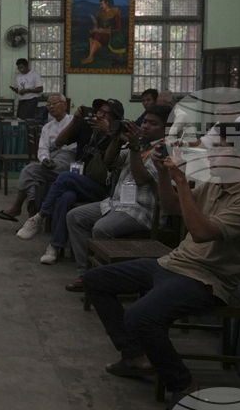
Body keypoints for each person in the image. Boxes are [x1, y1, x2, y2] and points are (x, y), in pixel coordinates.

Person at [82, 129, 240, 410]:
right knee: (95, 280)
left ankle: (183, 385)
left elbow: (200, 232)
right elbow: (171, 206)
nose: (211, 153)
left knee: (139, 317)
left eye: (219, 148)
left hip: (207, 280)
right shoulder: (215, 184)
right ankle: (135, 356)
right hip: (174, 264)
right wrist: (162, 174)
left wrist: (181, 179)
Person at [64, 105, 171, 292]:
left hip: (142, 211)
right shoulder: (141, 144)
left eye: (152, 124)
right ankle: (86, 276)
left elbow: (141, 179)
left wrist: (135, 146)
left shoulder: (166, 149)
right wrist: (114, 139)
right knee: (75, 217)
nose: (145, 126)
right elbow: (109, 161)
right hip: (119, 204)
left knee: (102, 228)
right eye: (144, 121)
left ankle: (104, 282)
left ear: (166, 129)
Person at [17, 98, 125, 264]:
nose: (101, 116)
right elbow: (59, 142)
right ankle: (55, 247)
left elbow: (115, 156)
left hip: (102, 187)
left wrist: (111, 133)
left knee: (65, 177)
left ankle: (39, 217)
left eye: (107, 114)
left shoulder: (118, 135)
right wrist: (75, 120)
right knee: (65, 196)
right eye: (99, 111)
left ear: (115, 119)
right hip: (82, 180)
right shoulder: (86, 127)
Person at [0, 94, 74, 222]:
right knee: (34, 181)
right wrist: (44, 159)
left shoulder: (73, 122)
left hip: (67, 159)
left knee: (30, 170)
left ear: (64, 105)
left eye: (54, 103)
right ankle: (32, 221)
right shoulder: (47, 127)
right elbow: (42, 148)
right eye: (48, 105)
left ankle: (17, 207)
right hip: (52, 160)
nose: (51, 107)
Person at [81, 0, 126, 65]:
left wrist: (105, 30)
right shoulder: (100, 13)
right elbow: (98, 25)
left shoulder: (115, 12)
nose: (100, 6)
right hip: (102, 32)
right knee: (93, 34)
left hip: (112, 33)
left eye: (102, 4)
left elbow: (117, 27)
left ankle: (90, 57)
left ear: (107, 3)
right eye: (100, 5)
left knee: (99, 36)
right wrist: (96, 29)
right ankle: (91, 56)